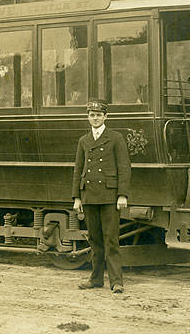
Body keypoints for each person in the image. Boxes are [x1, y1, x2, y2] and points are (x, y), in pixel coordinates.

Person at [72, 100, 131, 294]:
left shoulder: (115, 138)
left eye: (98, 115)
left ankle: (116, 282)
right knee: (95, 240)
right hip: (89, 197)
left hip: (109, 196)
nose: (95, 118)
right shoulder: (83, 140)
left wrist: (122, 195)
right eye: (91, 115)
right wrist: (77, 198)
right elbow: (78, 170)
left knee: (111, 240)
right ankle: (96, 279)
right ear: (88, 117)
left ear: (105, 116)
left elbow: (124, 168)